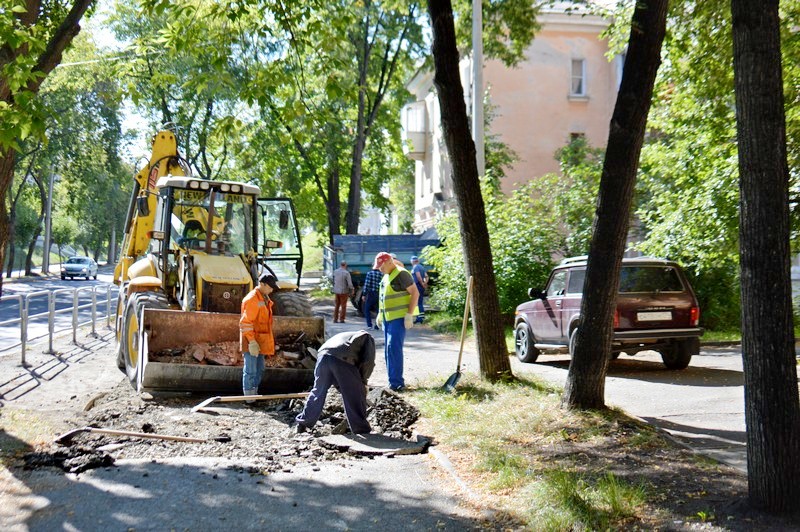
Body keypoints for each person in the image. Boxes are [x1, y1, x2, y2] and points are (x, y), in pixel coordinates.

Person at [293, 330, 376, 435]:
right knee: (355, 393)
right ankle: (361, 429)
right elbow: (368, 362)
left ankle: (303, 423)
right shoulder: (367, 337)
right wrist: (363, 382)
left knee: (318, 391)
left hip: (322, 357)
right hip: (341, 359)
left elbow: (341, 380)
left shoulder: (349, 337)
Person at [374, 251, 419, 392]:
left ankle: (397, 383)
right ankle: (392, 382)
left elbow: (415, 293)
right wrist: (380, 316)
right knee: (388, 350)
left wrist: (409, 315)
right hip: (388, 319)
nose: (380, 269)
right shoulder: (387, 276)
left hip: (399, 318)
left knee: (393, 348)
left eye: (381, 266)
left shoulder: (401, 274)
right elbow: (384, 298)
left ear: (389, 262)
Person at [239, 273, 279, 401]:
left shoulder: (264, 298)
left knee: (259, 369)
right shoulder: (252, 300)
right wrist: (251, 341)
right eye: (270, 287)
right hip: (251, 340)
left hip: (259, 340)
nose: (272, 289)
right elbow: (245, 323)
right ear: (262, 284)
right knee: (250, 370)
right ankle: (249, 399)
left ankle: (254, 394)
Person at [410, 256, 428, 324]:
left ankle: (419, 318)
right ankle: (421, 317)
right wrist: (425, 283)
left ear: (412, 261)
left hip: (417, 286)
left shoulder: (415, 267)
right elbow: (426, 276)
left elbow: (418, 276)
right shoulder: (422, 267)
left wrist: (422, 283)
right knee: (420, 302)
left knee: (417, 303)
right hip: (421, 286)